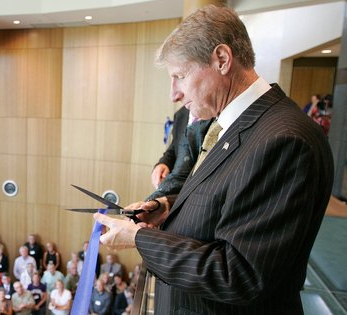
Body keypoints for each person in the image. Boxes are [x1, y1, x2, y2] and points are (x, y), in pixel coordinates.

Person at [93, 5, 334, 314]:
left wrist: (139, 238)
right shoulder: (230, 126)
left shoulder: (283, 140)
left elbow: (240, 274)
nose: (174, 94)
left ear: (222, 59)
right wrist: (167, 208)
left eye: (179, 76)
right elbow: (230, 200)